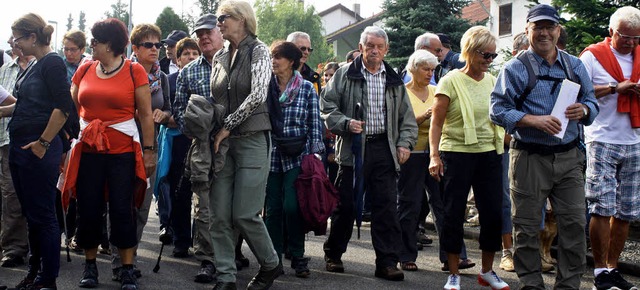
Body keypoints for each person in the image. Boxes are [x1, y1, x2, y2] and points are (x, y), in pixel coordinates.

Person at [490, 4, 599, 289]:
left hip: (569, 158)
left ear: (558, 30)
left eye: (550, 27)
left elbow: (593, 103)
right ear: (527, 31)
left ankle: (568, 285)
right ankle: (531, 284)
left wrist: (584, 111)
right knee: (526, 227)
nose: (544, 33)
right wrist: (532, 120)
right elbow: (497, 110)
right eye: (537, 27)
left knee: (575, 225)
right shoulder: (515, 68)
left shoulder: (574, 66)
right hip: (529, 157)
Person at [61, 18, 156, 290]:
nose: (91, 45)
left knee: (122, 209)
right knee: (88, 209)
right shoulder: (84, 69)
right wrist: (67, 141)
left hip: (122, 152)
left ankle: (127, 269)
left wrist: (148, 152)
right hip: (88, 151)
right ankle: (90, 267)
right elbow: (71, 109)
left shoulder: (134, 71)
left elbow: (146, 115)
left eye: (96, 41)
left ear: (111, 44)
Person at [321, 25, 417, 281]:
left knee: (386, 206)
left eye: (379, 46)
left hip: (384, 148)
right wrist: (345, 123)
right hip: (353, 149)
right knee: (347, 205)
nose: (374, 50)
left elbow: (407, 118)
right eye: (369, 46)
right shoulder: (344, 74)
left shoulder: (394, 79)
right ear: (361, 47)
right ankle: (333, 254)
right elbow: (327, 105)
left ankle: (386, 262)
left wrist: (405, 143)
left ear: (386, 50)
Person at [428, 26, 508, 290]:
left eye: (493, 56)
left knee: (492, 214)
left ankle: (487, 271)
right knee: (452, 214)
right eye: (486, 55)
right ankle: (453, 274)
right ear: (470, 52)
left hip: (489, 154)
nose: (489, 60)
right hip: (456, 154)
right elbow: (436, 123)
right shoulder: (450, 80)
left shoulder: (491, 80)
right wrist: (434, 155)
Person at [208, 1, 281, 289]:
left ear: (242, 19)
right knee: (219, 215)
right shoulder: (220, 56)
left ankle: (271, 263)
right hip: (222, 144)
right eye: (218, 19)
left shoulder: (260, 50)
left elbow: (258, 94)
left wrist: (227, 126)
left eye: (223, 18)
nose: (219, 23)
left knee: (244, 214)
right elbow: (216, 99)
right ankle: (225, 276)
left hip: (251, 141)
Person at [3, 13, 75, 290]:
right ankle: (34, 273)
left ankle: (48, 279)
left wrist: (43, 143)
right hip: (23, 147)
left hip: (38, 149)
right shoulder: (35, 65)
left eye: (18, 38)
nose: (15, 43)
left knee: (43, 215)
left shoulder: (52, 63)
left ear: (32, 37)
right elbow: (24, 105)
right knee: (32, 214)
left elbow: (63, 106)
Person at [580, 6, 640, 290]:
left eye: (635, 38)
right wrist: (616, 87)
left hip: (635, 138)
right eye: (625, 37)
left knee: (627, 209)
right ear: (611, 32)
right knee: (602, 206)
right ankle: (600, 271)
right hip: (601, 137)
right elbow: (582, 92)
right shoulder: (592, 55)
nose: (630, 43)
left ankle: (614, 268)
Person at [106, 22, 171, 280]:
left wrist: (162, 114)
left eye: (159, 44)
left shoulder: (162, 78)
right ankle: (117, 263)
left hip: (149, 147)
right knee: (120, 205)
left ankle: (129, 260)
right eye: (149, 44)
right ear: (134, 47)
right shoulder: (123, 73)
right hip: (121, 147)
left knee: (142, 207)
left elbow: (171, 111)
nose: (156, 49)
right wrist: (134, 114)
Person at [264, 41, 324, 278]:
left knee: (293, 206)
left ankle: (298, 256)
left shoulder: (307, 88)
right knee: (272, 209)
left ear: (291, 61)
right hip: (270, 154)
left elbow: (314, 124)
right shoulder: (265, 87)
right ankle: (272, 259)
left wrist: (314, 155)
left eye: (278, 57)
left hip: (298, 156)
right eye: (272, 57)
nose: (274, 61)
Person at [171, 13, 224, 283]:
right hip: (202, 148)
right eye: (199, 33)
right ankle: (207, 260)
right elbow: (178, 110)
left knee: (232, 207)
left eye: (209, 32)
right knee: (203, 206)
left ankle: (228, 255)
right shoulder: (188, 71)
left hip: (235, 145)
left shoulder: (238, 64)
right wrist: (195, 127)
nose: (204, 37)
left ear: (221, 32)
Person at [158, 37, 200, 259]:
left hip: (202, 141)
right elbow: (166, 112)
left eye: (195, 53)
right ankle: (181, 240)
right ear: (178, 57)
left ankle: (202, 242)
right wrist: (175, 118)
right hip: (177, 141)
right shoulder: (170, 80)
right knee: (179, 192)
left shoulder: (209, 78)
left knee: (203, 194)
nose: (191, 57)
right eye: (186, 54)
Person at [396, 49, 437, 272]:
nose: (430, 73)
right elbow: (402, 123)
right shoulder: (401, 92)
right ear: (413, 69)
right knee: (409, 204)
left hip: (433, 154)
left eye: (432, 69)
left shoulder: (435, 90)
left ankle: (452, 257)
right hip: (410, 154)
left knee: (442, 204)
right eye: (425, 69)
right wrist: (426, 115)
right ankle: (406, 254)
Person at [0, 34, 33, 269]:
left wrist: (5, 111)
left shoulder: (39, 67)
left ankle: (14, 248)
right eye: (11, 38)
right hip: (2, 138)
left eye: (17, 37)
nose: (13, 42)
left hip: (19, 141)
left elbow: (21, 104)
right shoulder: (4, 68)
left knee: (13, 196)